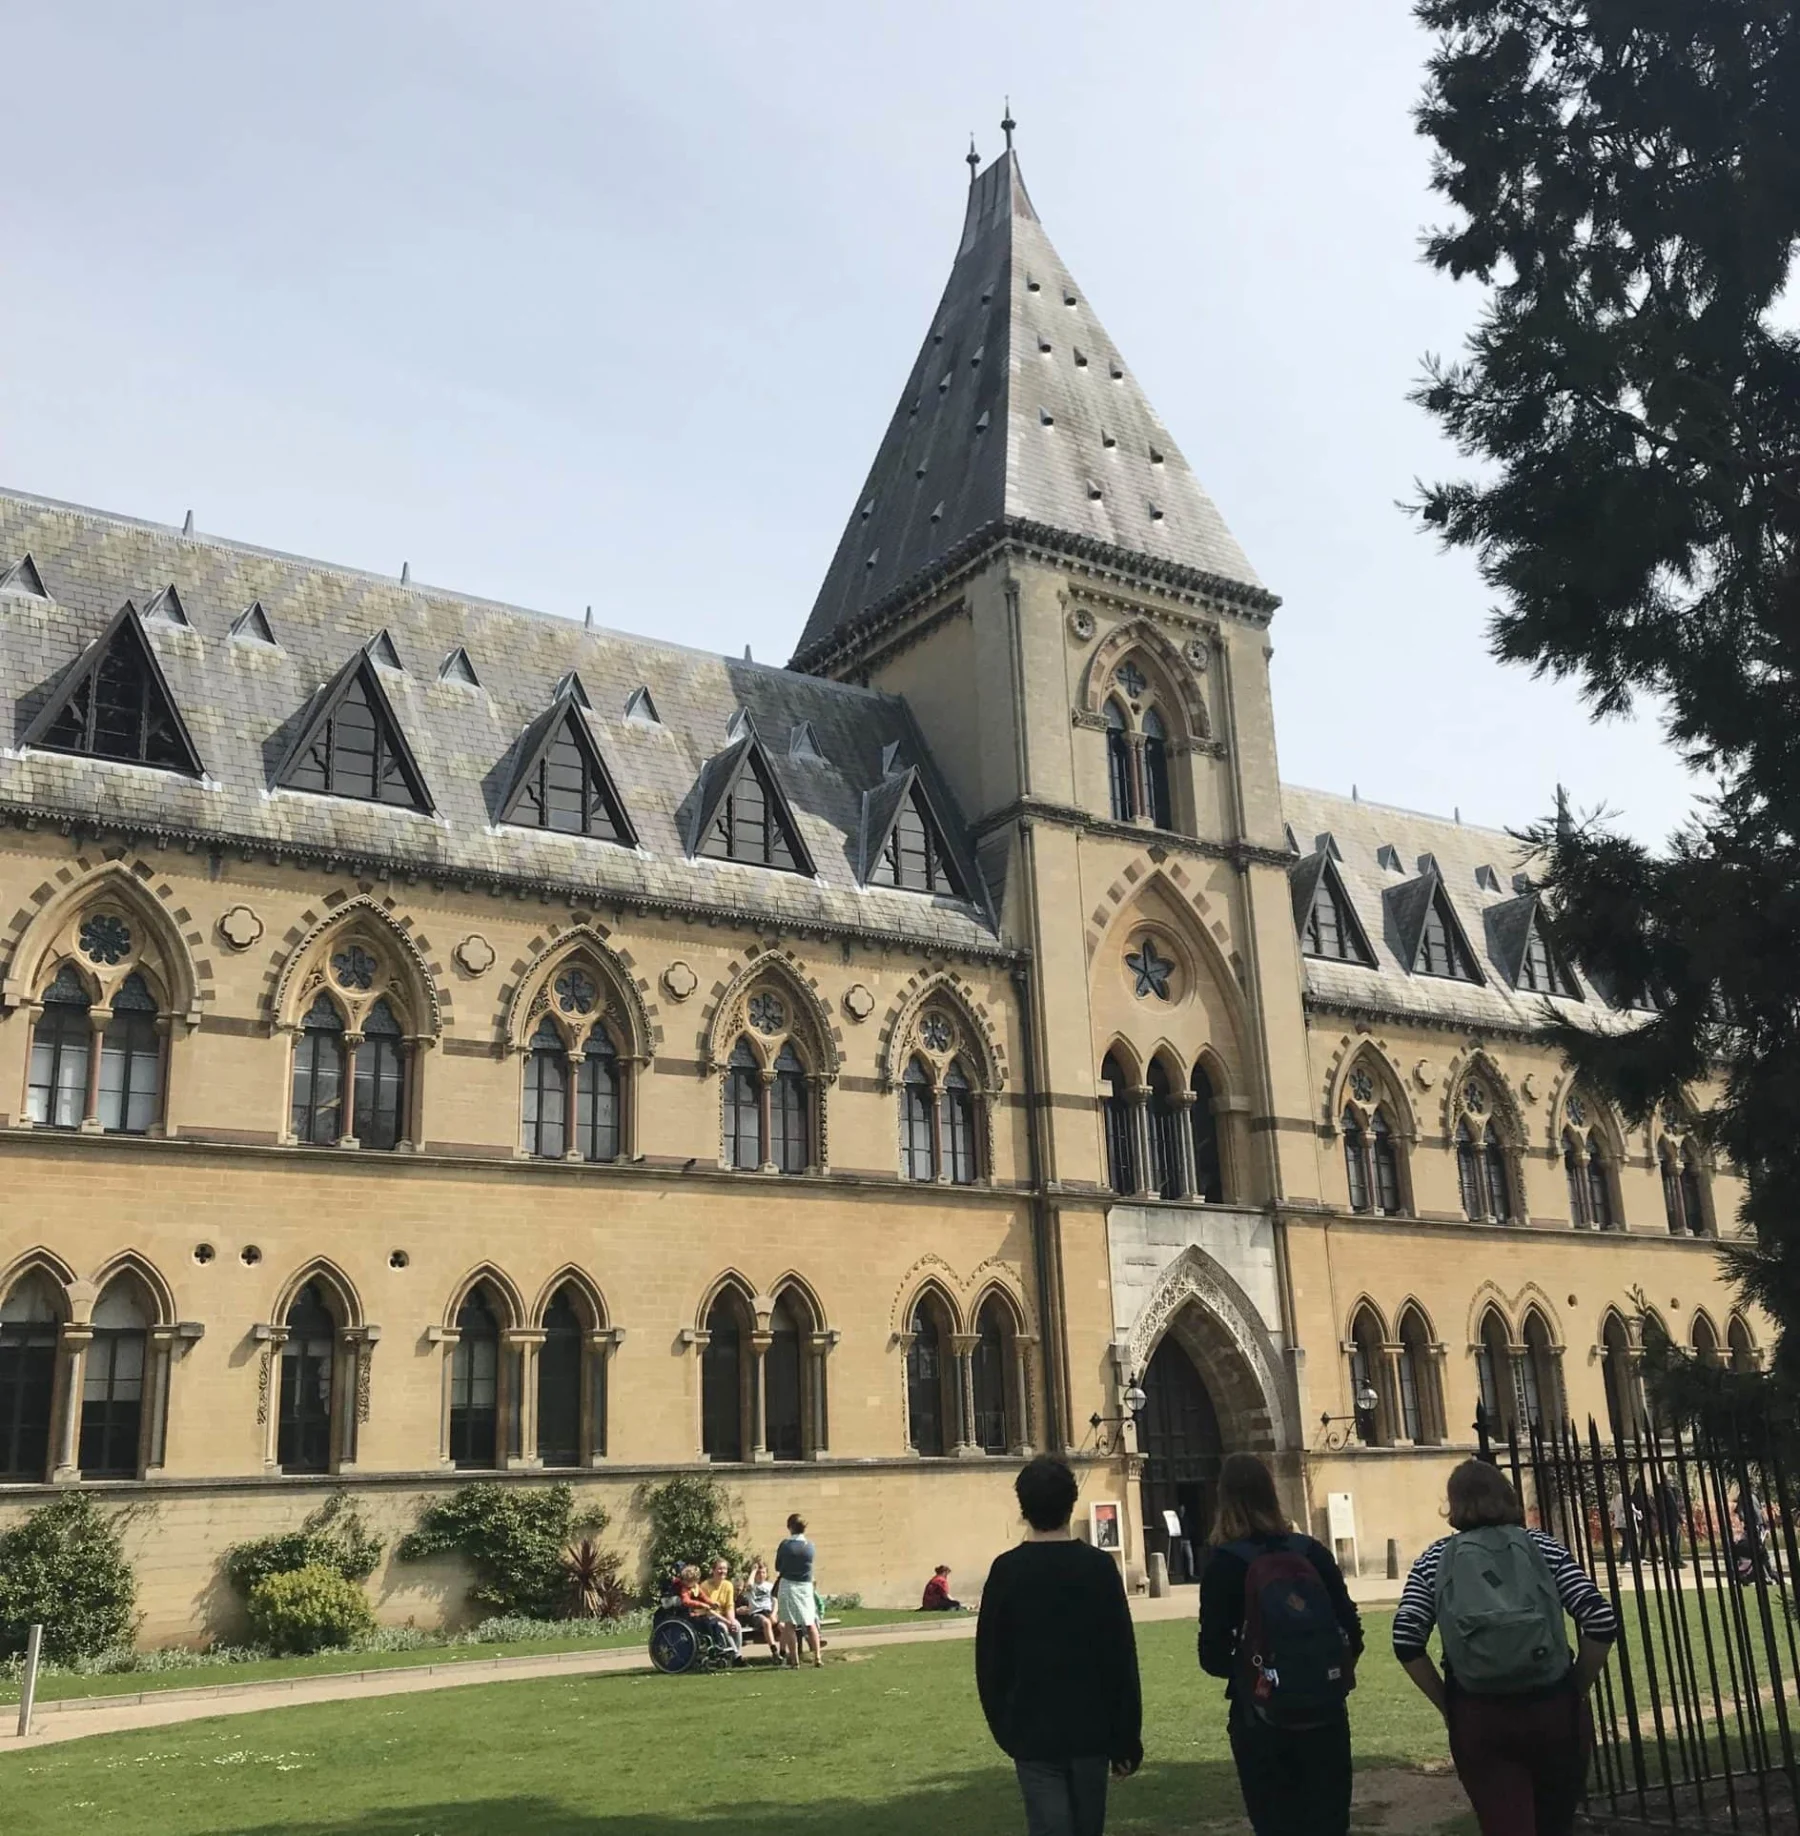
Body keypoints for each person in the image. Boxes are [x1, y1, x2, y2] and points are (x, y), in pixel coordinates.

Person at [1395, 1459, 1618, 1836]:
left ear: (1452, 1505)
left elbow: (1405, 1639)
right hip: (1553, 1708)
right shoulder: (1542, 1546)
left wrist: (1448, 1703)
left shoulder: (1436, 1559)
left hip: (1480, 1714)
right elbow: (1600, 1621)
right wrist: (1574, 1687)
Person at [1197, 1451, 1362, 1836]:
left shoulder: (1224, 1564)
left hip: (1262, 1719)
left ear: (1223, 1500)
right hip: (1325, 1712)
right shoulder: (1311, 1552)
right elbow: (1351, 1631)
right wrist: (1320, 1670)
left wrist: (1255, 1674)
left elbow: (1212, 1656)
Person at [976, 1454, 1142, 1836]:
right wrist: (1126, 1738)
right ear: (1071, 1503)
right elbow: (1120, 1658)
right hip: (1091, 1731)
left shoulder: (1007, 1571)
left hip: (1034, 1732)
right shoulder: (1099, 1569)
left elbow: (990, 1662)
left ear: (1023, 1507)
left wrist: (1006, 1727)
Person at [775, 1512, 823, 1669]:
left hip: (788, 1584)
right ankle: (817, 1657)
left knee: (789, 1623)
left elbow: (778, 1567)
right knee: (810, 1622)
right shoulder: (810, 1546)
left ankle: (794, 1660)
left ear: (790, 1527)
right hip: (805, 1587)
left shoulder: (785, 1545)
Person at [674, 1563, 735, 1653]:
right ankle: (712, 1645)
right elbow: (686, 1601)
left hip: (696, 1614)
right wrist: (702, 1605)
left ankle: (719, 1644)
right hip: (687, 1615)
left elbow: (704, 1597)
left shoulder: (696, 1587)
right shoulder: (685, 1589)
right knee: (707, 1623)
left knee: (715, 1624)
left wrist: (712, 1603)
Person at [698, 1557, 742, 1652]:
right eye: (720, 1568)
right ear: (713, 1570)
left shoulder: (728, 1585)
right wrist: (727, 1622)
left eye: (725, 1568)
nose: (723, 1571)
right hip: (708, 1617)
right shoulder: (704, 1586)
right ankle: (735, 1655)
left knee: (737, 1626)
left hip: (723, 1616)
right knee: (723, 1626)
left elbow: (729, 1606)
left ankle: (738, 1653)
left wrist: (732, 1621)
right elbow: (709, 1611)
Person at [741, 1558, 779, 1658]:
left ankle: (784, 1652)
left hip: (769, 1612)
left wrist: (774, 1614)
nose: (761, 1575)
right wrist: (753, 1570)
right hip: (756, 1613)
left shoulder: (770, 1586)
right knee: (766, 1622)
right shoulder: (751, 1586)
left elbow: (775, 1601)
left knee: (783, 1626)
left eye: (763, 1572)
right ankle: (774, 1651)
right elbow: (749, 1584)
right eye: (758, 1573)